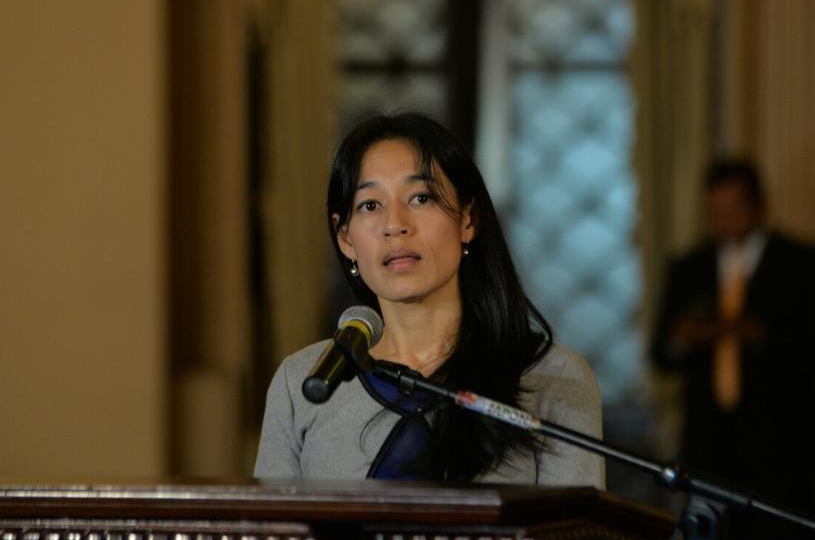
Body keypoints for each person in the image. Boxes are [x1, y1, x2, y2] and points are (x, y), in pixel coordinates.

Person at [254, 112, 604, 486]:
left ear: (467, 220)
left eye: (421, 197)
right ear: (346, 239)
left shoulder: (555, 379)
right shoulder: (304, 381)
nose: (395, 225)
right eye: (370, 205)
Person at [652, 159, 815, 515]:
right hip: (710, 445)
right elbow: (661, 353)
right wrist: (684, 337)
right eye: (715, 210)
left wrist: (760, 334)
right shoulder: (688, 268)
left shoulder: (802, 263)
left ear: (758, 204)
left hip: (785, 443)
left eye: (733, 208)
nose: (724, 220)